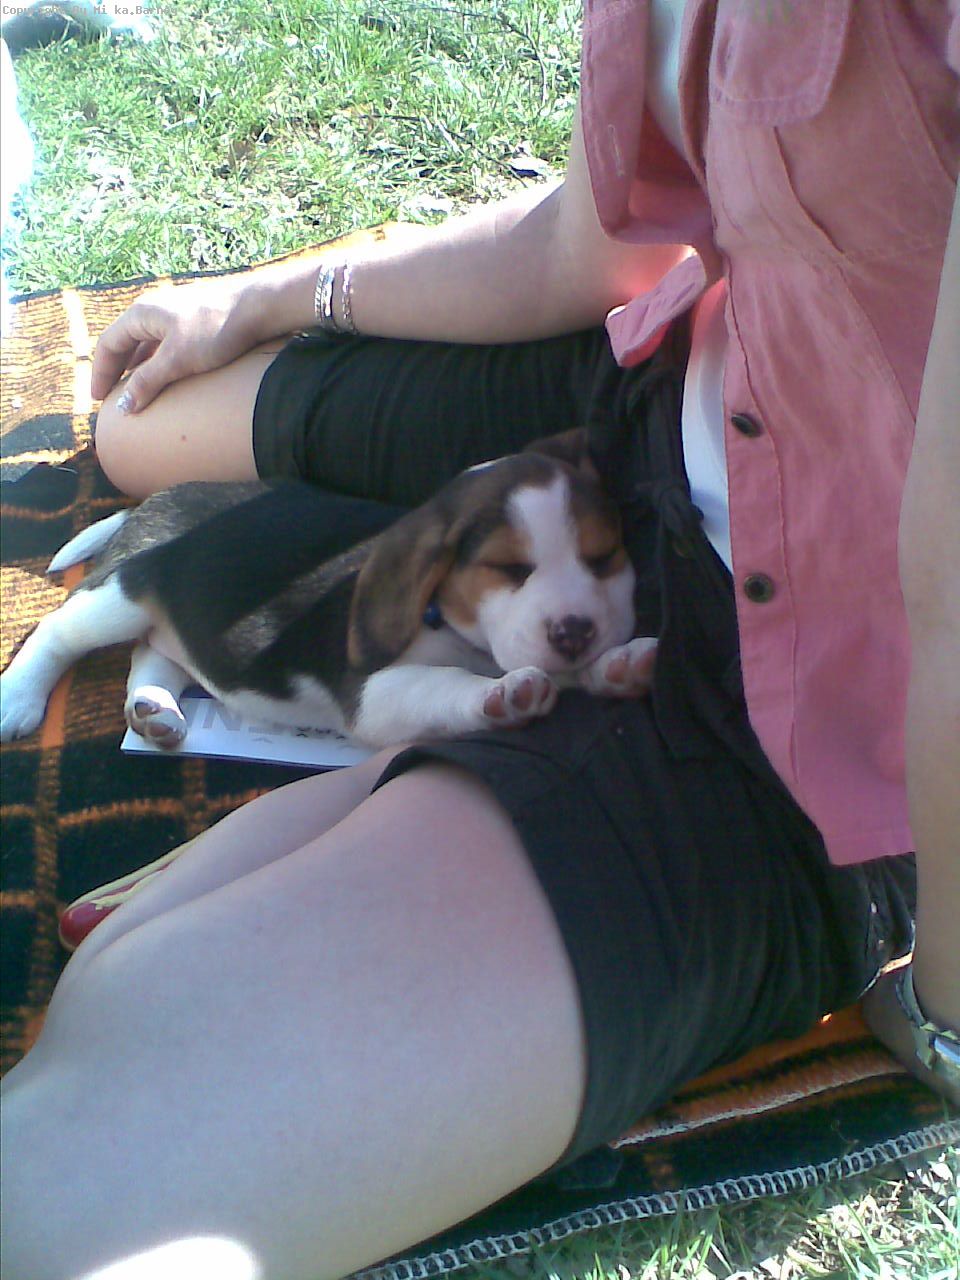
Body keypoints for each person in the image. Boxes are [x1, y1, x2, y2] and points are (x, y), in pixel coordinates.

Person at [2, 4, 957, 1277]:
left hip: (805, 696)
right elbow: (591, 246)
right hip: (653, 403)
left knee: (101, 1141)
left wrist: (944, 1006)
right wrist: (270, 294)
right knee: (144, 419)